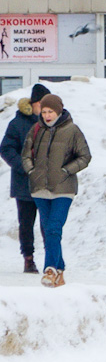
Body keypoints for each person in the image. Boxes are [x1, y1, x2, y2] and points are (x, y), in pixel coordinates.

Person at [22, 93, 91, 288]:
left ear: (59, 111)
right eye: (44, 111)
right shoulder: (36, 130)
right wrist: (32, 171)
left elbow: (85, 156)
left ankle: (50, 270)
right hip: (39, 189)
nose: (47, 115)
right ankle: (59, 271)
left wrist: (66, 171)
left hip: (63, 188)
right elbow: (25, 155)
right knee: (48, 231)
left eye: (50, 111)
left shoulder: (72, 131)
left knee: (53, 227)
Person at [2, 84, 49, 274]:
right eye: (42, 104)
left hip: (47, 184)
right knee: (26, 224)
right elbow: (5, 148)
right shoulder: (18, 123)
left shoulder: (54, 122)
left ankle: (51, 259)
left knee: (48, 223)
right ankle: (28, 259)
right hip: (25, 184)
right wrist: (23, 167)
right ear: (34, 103)